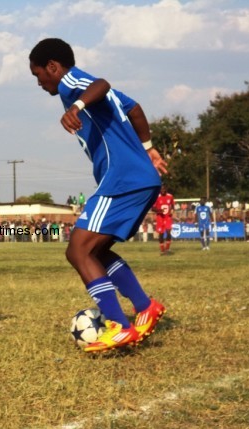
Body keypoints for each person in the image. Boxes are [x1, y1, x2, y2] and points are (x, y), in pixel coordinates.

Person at [29, 38, 167, 353]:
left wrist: (77, 105)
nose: (40, 82)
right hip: (136, 177)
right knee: (97, 251)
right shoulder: (81, 91)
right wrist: (149, 150)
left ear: (53, 66)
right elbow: (134, 108)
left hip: (122, 180)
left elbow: (102, 83)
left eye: (39, 75)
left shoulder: (70, 83)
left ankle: (119, 327)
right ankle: (146, 307)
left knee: (77, 252)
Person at [153, 184, 175, 255]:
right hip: (160, 218)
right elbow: (153, 208)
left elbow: (173, 206)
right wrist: (159, 211)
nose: (162, 191)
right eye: (161, 189)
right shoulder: (157, 197)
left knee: (168, 233)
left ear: (166, 189)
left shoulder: (170, 196)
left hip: (168, 217)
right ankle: (162, 250)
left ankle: (167, 249)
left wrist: (172, 211)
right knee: (161, 235)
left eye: (164, 189)